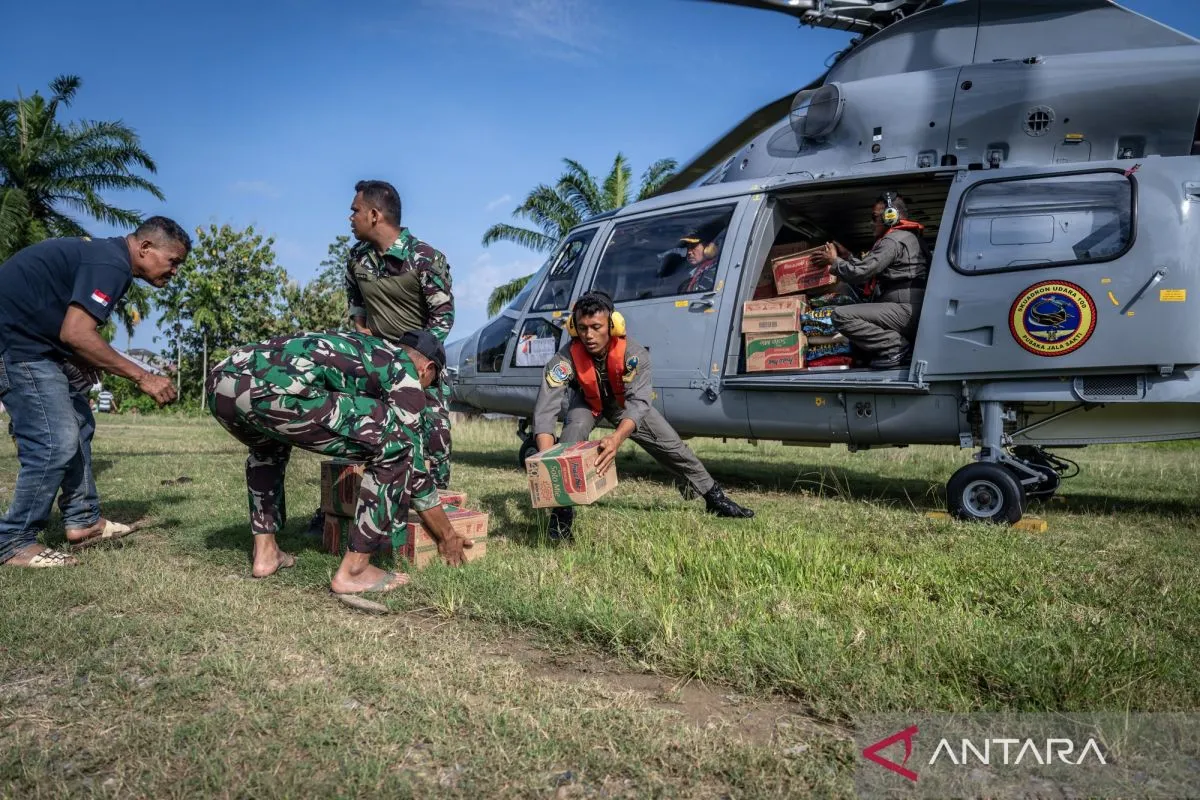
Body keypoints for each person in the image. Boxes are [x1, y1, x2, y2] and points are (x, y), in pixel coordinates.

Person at [205, 329, 472, 595]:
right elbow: (414, 469)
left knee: (268, 449)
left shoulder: (370, 349)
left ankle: (266, 553)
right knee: (399, 445)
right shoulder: (404, 371)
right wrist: (447, 536)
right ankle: (355, 571)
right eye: (430, 384)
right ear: (427, 369)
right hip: (273, 388)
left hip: (221, 381)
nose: (425, 391)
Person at [0, 218, 189, 569]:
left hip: (35, 345)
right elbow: (76, 333)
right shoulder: (112, 263)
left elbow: (63, 323)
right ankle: (14, 540)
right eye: (173, 261)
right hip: (17, 348)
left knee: (79, 422)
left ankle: (83, 520)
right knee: (54, 440)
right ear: (145, 248)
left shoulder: (108, 257)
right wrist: (143, 377)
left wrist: (79, 358)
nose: (175, 271)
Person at [532, 291, 754, 540]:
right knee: (569, 441)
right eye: (582, 328)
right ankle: (561, 515)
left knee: (672, 445)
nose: (589, 335)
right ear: (574, 328)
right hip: (588, 402)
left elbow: (638, 404)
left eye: (596, 327)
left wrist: (616, 439)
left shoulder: (635, 355)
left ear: (613, 325)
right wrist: (546, 460)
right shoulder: (564, 359)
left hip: (624, 404)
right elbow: (545, 409)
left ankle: (715, 497)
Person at [305, 180, 457, 535]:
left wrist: (411, 360)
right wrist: (361, 331)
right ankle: (340, 508)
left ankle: (434, 523)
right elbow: (356, 301)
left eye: (355, 210)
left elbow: (442, 319)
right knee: (360, 433)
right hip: (373, 365)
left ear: (375, 215)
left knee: (434, 439)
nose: (350, 217)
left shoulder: (424, 257)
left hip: (420, 366)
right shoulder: (357, 258)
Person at [818, 192, 930, 370]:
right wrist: (848, 257)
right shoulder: (910, 237)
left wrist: (834, 261)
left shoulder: (893, 240)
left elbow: (861, 273)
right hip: (910, 308)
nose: (871, 223)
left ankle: (895, 346)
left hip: (903, 308)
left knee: (841, 315)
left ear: (890, 216)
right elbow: (870, 269)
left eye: (874, 217)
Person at [677, 230, 721, 294]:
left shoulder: (713, 272)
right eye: (688, 248)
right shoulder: (696, 272)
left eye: (693, 246)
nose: (689, 252)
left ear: (709, 248)